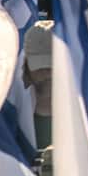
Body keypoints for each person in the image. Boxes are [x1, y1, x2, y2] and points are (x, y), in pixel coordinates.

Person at [24, 19, 54, 153]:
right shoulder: (14, 117)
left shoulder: (85, 118)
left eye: (52, 66)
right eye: (39, 67)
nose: (47, 73)